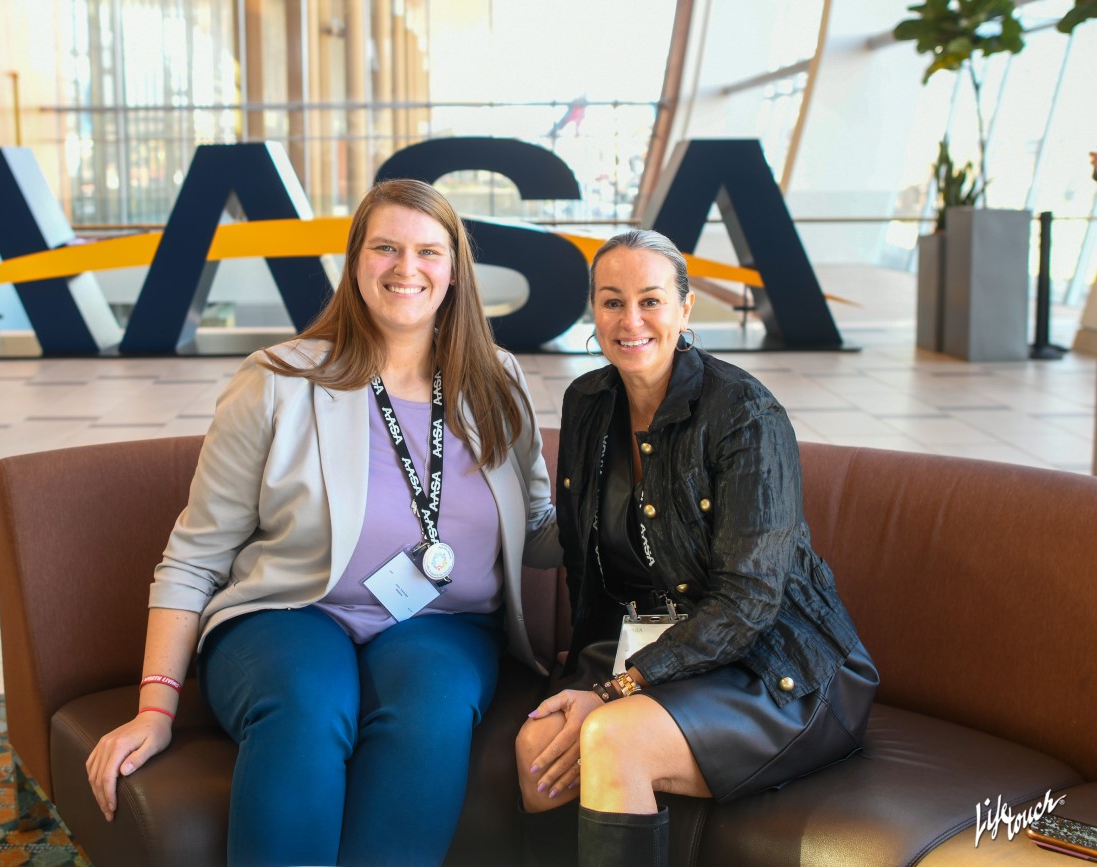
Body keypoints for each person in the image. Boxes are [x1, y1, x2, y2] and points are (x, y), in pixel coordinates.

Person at [86, 178, 560, 867]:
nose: (406, 268)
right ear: (355, 261)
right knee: (308, 704)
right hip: (290, 611)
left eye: (428, 251)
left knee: (432, 712)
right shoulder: (278, 380)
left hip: (442, 623)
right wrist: (154, 708)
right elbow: (193, 555)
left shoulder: (498, 382)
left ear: (454, 270)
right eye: (386, 248)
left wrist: (642, 499)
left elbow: (542, 529)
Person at [514, 229, 877, 866]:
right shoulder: (588, 402)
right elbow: (585, 562)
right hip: (656, 654)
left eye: (651, 300)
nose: (630, 321)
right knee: (537, 750)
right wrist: (583, 672)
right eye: (611, 301)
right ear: (592, 311)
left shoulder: (745, 415)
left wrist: (613, 690)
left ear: (686, 309)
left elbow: (748, 605)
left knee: (613, 739)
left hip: (778, 667)